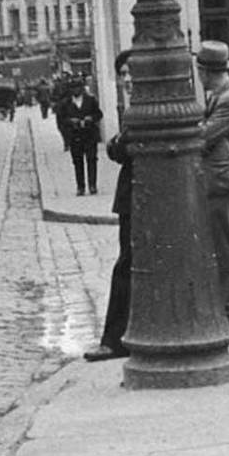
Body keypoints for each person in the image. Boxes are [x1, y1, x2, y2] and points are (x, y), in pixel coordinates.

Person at [195, 41, 229, 331]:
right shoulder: (221, 95)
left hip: (224, 180)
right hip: (220, 179)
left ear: (206, 71)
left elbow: (204, 136)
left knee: (228, 248)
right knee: (225, 245)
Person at [85, 51, 133, 362]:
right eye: (123, 74)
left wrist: (116, 145)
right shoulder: (132, 108)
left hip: (138, 198)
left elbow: (120, 147)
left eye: (131, 72)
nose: (127, 79)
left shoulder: (141, 108)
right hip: (132, 198)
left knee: (126, 268)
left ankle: (115, 340)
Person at [54, 78, 103, 196]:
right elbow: (61, 119)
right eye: (73, 88)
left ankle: (92, 185)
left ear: (82, 88)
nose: (76, 90)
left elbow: (99, 114)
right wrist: (71, 121)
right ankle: (80, 187)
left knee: (92, 159)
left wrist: (91, 118)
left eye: (78, 87)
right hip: (75, 136)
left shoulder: (90, 100)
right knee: (78, 162)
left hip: (89, 134)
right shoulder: (65, 103)